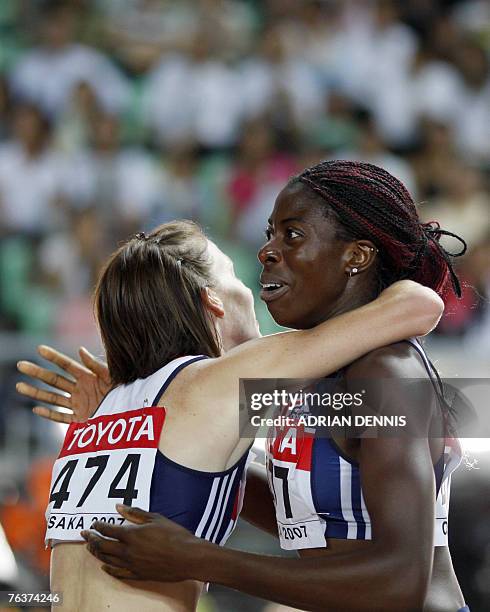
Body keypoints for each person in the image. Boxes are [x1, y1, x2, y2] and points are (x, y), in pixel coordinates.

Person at [36, 160, 469, 612]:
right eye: (269, 234)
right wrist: (152, 443)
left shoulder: (386, 372)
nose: (266, 251)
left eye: (292, 235)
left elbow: (400, 585)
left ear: (356, 256)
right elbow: (296, 514)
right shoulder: (305, 381)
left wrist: (201, 558)